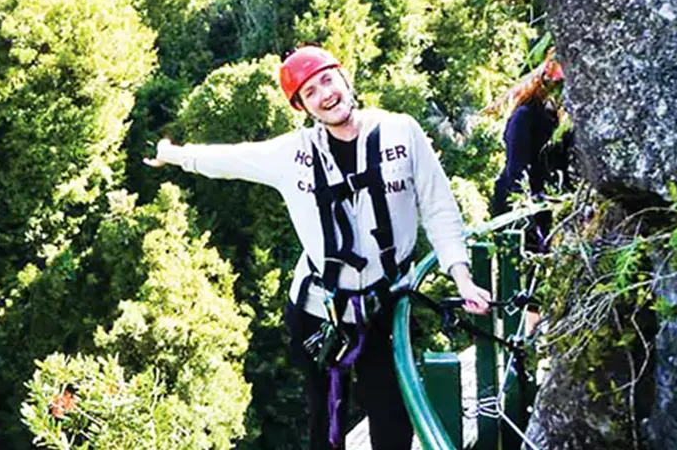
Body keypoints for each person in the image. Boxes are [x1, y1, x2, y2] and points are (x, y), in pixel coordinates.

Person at [144, 44, 490, 450]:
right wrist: (174, 154)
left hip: (384, 307)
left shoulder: (402, 132)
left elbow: (438, 207)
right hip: (318, 310)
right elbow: (229, 160)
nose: (325, 94)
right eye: (310, 92)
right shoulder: (292, 154)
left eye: (328, 80)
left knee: (392, 422)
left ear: (345, 78)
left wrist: (461, 278)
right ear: (302, 107)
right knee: (326, 422)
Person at [486, 52, 572, 252]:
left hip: (543, 203)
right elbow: (517, 168)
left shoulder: (557, 120)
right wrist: (527, 213)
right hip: (518, 203)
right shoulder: (525, 116)